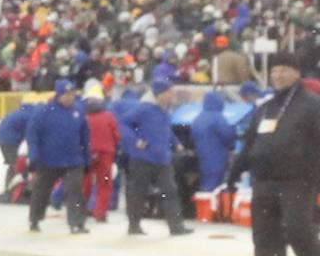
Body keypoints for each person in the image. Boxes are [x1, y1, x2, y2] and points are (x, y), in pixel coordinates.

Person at [229, 49, 320, 256]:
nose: (278, 75)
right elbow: (249, 143)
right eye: (275, 71)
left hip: (298, 179)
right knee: (264, 232)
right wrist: (234, 172)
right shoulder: (265, 107)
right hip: (264, 179)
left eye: (284, 70)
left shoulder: (312, 105)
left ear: (297, 73)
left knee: (298, 229)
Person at [116, 74, 189, 236]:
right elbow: (122, 124)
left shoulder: (165, 110)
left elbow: (165, 129)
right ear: (161, 93)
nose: (173, 95)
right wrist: (135, 141)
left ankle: (176, 226)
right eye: (170, 92)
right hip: (143, 158)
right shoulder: (143, 109)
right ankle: (134, 225)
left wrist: (176, 142)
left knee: (170, 191)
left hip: (163, 158)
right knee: (139, 192)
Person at [24, 81, 90, 233]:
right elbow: (32, 135)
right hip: (48, 161)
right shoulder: (43, 112)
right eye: (66, 95)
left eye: (72, 95)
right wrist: (33, 155)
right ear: (58, 95)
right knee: (41, 191)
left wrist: (86, 159)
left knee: (75, 191)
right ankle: (35, 219)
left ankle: (77, 223)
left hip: (73, 161)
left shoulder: (78, 112)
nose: (69, 98)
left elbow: (85, 138)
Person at [193, 89, 243, 221]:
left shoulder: (199, 118)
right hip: (217, 155)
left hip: (202, 156)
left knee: (206, 182)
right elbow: (228, 135)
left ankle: (203, 212)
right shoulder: (217, 118)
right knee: (215, 184)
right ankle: (212, 214)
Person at [81, 80, 119, 223]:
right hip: (106, 153)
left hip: (87, 153)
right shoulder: (109, 116)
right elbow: (116, 135)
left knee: (85, 183)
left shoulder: (83, 117)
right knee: (105, 183)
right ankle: (100, 212)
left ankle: (80, 210)